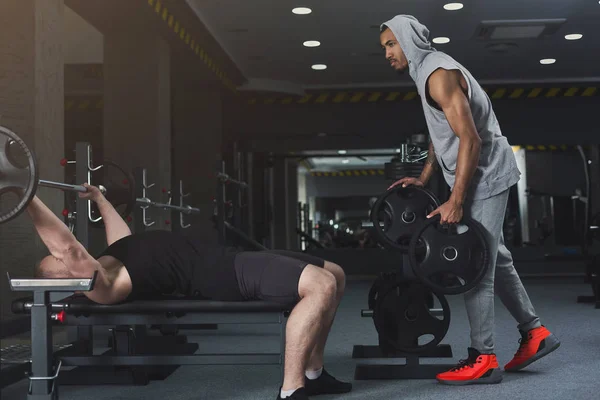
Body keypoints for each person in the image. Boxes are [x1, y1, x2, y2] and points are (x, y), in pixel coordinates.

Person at [27, 184, 352, 400]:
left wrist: (100, 199)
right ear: (69, 275)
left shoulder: (109, 258)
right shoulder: (102, 285)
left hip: (226, 256)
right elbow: (67, 247)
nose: (63, 254)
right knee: (320, 285)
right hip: (224, 274)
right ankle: (292, 389)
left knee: (336, 273)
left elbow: (122, 238)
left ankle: (314, 372)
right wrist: (28, 196)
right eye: (57, 259)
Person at [379, 15, 560, 385]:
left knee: (472, 261)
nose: (386, 53)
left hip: (488, 174)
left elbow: (471, 139)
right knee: (495, 255)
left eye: (390, 44)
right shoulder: (425, 73)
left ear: (408, 42)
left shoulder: (438, 75)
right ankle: (534, 332)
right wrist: (425, 177)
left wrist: (457, 200)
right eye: (384, 46)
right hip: (479, 173)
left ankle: (483, 357)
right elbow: (441, 130)